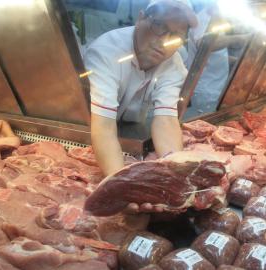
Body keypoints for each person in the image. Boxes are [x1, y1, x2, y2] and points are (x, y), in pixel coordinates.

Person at [84, 0, 197, 212]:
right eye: (159, 26)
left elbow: (166, 119)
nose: (164, 41)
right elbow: (104, 127)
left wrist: (176, 180)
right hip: (88, 130)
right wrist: (122, 188)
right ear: (140, 18)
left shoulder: (174, 64)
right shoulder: (107, 51)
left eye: (175, 35)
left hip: (128, 129)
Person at [183, 1, 249, 117]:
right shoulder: (203, 19)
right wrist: (239, 38)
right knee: (199, 124)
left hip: (214, 88)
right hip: (205, 89)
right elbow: (205, 44)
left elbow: (214, 54)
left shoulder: (216, 22)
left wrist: (234, 61)